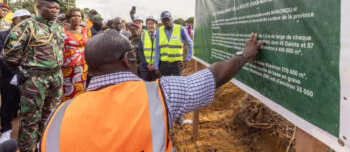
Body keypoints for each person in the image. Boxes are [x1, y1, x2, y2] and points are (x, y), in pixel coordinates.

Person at [40, 31, 264, 151]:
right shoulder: (161, 93)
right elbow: (214, 76)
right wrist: (244, 55)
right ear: (129, 59)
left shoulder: (59, 113)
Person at [1, 0, 65, 152]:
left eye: (57, 8)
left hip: (56, 78)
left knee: (50, 118)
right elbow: (8, 54)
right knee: (30, 120)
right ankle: (27, 149)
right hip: (35, 80)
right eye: (50, 7)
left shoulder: (58, 26)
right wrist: (19, 70)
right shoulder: (26, 26)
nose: (54, 10)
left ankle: (43, 146)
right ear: (39, 7)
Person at [0, 9, 31, 143]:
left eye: (28, 18)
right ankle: (6, 130)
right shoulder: (3, 35)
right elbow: (3, 57)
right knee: (8, 104)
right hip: (7, 75)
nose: (25, 21)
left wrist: (22, 74)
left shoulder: (32, 36)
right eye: (22, 18)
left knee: (22, 105)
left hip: (26, 75)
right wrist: (15, 75)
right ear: (14, 20)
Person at [62, 8, 91, 102]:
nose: (77, 18)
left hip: (82, 66)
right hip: (67, 65)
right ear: (69, 18)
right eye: (74, 15)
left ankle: (77, 108)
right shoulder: (62, 30)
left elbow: (90, 46)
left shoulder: (86, 30)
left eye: (79, 16)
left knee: (80, 88)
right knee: (66, 88)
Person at [154, 11, 193, 77]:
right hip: (164, 64)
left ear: (172, 19)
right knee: (165, 84)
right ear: (162, 21)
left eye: (168, 19)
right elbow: (157, 49)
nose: (166, 22)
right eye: (164, 20)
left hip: (177, 64)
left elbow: (190, 43)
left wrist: (186, 60)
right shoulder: (159, 31)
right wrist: (156, 67)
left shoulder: (180, 29)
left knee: (177, 84)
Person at [138, 16, 158, 81]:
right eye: (148, 24)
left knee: (156, 88)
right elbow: (140, 51)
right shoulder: (142, 35)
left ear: (156, 25)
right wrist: (146, 64)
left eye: (152, 23)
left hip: (157, 68)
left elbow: (163, 52)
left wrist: (155, 65)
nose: (150, 25)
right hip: (145, 68)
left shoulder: (161, 35)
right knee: (145, 88)